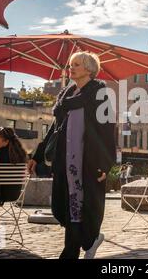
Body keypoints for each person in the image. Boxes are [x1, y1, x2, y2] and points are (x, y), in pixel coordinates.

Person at [29, 52, 116, 259]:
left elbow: (107, 132)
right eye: (70, 65)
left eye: (76, 65)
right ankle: (88, 242)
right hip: (64, 161)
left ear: (89, 69)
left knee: (83, 206)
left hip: (87, 161)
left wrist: (104, 164)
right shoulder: (65, 98)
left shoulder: (99, 95)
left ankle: (74, 249)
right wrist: (37, 155)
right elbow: (53, 130)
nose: (71, 68)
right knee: (68, 207)